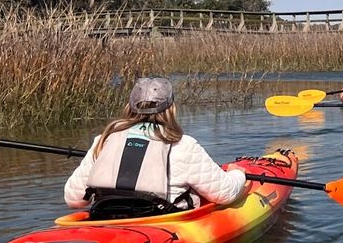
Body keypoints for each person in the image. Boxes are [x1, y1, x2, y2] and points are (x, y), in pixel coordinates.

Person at [63, 77, 247, 218]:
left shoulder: (103, 141)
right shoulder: (182, 145)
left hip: (106, 218)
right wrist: (238, 173)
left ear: (130, 107)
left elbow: (74, 199)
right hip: (160, 223)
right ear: (171, 109)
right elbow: (226, 193)